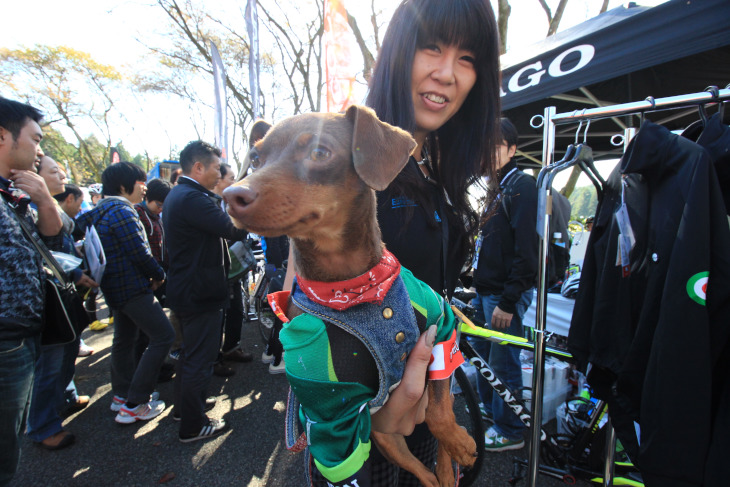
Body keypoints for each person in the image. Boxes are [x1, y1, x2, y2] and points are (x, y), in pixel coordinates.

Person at [313, 0, 501, 484]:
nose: (446, 73)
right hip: (364, 431)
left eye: (467, 59)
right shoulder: (345, 153)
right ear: (398, 53)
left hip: (427, 404)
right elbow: (306, 307)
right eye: (431, 48)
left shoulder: (437, 165)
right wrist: (371, 410)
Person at [163, 140, 248, 442]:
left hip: (188, 289)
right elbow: (233, 229)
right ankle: (193, 425)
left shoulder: (181, 194)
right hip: (200, 293)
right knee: (200, 359)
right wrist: (249, 206)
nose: (219, 173)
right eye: (215, 167)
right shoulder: (193, 198)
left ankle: (185, 410)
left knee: (189, 356)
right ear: (198, 167)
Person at [76, 162, 174, 424]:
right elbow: (140, 253)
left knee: (123, 339)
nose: (144, 188)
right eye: (141, 182)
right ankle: (136, 403)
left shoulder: (98, 210)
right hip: (133, 288)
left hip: (113, 289)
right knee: (164, 336)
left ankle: (121, 395)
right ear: (123, 186)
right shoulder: (123, 210)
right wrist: (160, 274)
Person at [0, 97, 62, 484]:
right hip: (6, 339)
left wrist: (43, 198)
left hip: (22, 336)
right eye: (35, 139)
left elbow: (52, 235)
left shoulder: (14, 193)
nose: (39, 151)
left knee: (10, 443)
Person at [470, 117, 538, 451]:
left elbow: (527, 250)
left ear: (512, 149)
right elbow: (491, 245)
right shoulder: (496, 186)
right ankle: (492, 410)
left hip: (504, 294)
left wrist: (509, 301)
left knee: (503, 362)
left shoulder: (522, 185)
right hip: (486, 291)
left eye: (495, 145)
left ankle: (510, 428)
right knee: (483, 355)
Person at [133, 178, 177, 382]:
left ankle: (155, 367)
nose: (160, 210)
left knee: (150, 334)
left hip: (158, 276)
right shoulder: (138, 215)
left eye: (163, 206)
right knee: (147, 334)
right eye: (158, 205)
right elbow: (141, 252)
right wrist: (155, 274)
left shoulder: (155, 217)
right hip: (147, 280)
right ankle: (145, 374)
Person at [212, 163, 252, 377]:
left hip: (234, 267)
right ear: (219, 180)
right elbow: (229, 231)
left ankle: (231, 347)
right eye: (231, 177)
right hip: (217, 271)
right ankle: (214, 358)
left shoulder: (221, 203)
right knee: (218, 316)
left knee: (236, 309)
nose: (234, 182)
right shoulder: (210, 203)